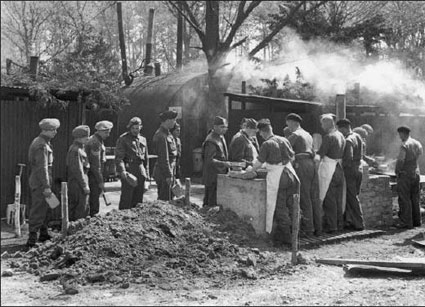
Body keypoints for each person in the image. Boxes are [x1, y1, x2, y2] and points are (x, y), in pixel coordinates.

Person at [248, 118, 299, 246]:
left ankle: (287, 239)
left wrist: (249, 171)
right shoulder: (284, 139)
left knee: (280, 208)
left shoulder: (267, 144)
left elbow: (258, 163)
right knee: (292, 206)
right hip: (290, 174)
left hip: (279, 178)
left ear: (262, 132)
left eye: (260, 133)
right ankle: (296, 234)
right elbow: (292, 157)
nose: (260, 135)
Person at [27, 118, 60, 248]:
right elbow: (42, 168)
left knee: (47, 208)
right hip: (41, 182)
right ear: (45, 130)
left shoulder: (44, 142)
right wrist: (46, 186)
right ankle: (32, 240)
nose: (55, 132)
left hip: (43, 181)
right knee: (38, 209)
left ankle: (44, 234)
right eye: (53, 130)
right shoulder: (41, 145)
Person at [286, 113, 320, 236]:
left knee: (303, 196)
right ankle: (317, 226)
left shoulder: (295, 135)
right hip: (311, 165)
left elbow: (284, 148)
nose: (288, 126)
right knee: (312, 196)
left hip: (301, 165)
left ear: (294, 123)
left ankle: (307, 228)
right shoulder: (307, 134)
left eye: (289, 123)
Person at [316, 114, 346, 233]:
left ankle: (332, 226)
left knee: (329, 199)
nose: (321, 126)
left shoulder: (328, 137)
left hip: (330, 168)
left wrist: (315, 157)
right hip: (339, 168)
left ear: (327, 123)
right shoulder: (341, 135)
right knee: (339, 199)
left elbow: (322, 153)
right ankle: (340, 224)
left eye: (322, 124)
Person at [115, 117, 149, 209]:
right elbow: (119, 157)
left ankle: (136, 221)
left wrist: (147, 176)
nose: (135, 130)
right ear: (130, 128)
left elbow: (145, 159)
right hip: (129, 169)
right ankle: (123, 219)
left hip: (140, 169)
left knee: (138, 199)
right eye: (133, 128)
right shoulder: (123, 139)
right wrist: (122, 171)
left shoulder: (143, 139)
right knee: (127, 197)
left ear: (140, 127)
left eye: (137, 128)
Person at [337, 119, 365, 231]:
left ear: (343, 128)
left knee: (352, 197)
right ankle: (350, 221)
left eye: (340, 130)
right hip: (359, 168)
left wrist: (343, 167)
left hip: (351, 170)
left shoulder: (348, 140)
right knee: (353, 196)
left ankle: (359, 223)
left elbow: (348, 157)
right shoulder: (357, 136)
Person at [394, 126, 423, 229]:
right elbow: (419, 155)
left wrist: (397, 171)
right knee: (415, 198)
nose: (399, 136)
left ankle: (406, 222)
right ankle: (417, 221)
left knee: (404, 198)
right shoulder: (417, 143)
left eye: (399, 134)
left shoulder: (404, 145)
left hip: (405, 174)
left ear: (402, 133)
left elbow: (401, 160)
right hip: (416, 173)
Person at [202, 116, 232, 207]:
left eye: (225, 127)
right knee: (211, 202)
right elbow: (209, 160)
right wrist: (224, 163)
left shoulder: (220, 137)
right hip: (212, 176)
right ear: (215, 127)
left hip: (219, 175)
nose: (224, 129)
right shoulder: (211, 140)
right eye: (221, 127)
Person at [86, 120, 113, 217]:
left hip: (94, 174)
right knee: (94, 197)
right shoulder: (95, 143)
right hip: (93, 175)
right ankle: (93, 216)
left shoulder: (98, 140)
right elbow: (95, 165)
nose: (108, 135)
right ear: (99, 131)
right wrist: (100, 181)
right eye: (106, 132)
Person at [152, 111, 178, 201]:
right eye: (174, 120)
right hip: (164, 174)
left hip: (169, 171)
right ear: (167, 120)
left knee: (170, 199)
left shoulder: (167, 134)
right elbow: (164, 158)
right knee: (164, 201)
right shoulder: (161, 136)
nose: (175, 122)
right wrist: (168, 175)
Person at [66, 125, 91, 222]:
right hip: (77, 184)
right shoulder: (76, 150)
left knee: (83, 207)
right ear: (79, 138)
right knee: (80, 208)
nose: (88, 138)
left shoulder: (80, 148)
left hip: (80, 182)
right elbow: (78, 170)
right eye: (86, 136)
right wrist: (84, 185)